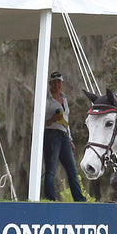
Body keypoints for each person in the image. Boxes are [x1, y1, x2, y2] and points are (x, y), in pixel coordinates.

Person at [42, 71, 87, 202]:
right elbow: (40, 121)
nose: (57, 85)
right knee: (51, 169)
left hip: (64, 136)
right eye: (54, 82)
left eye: (59, 82)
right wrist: (52, 119)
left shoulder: (64, 98)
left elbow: (65, 120)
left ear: (62, 83)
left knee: (72, 169)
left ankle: (79, 198)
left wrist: (70, 139)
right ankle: (50, 198)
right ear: (50, 83)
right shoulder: (46, 100)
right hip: (51, 135)